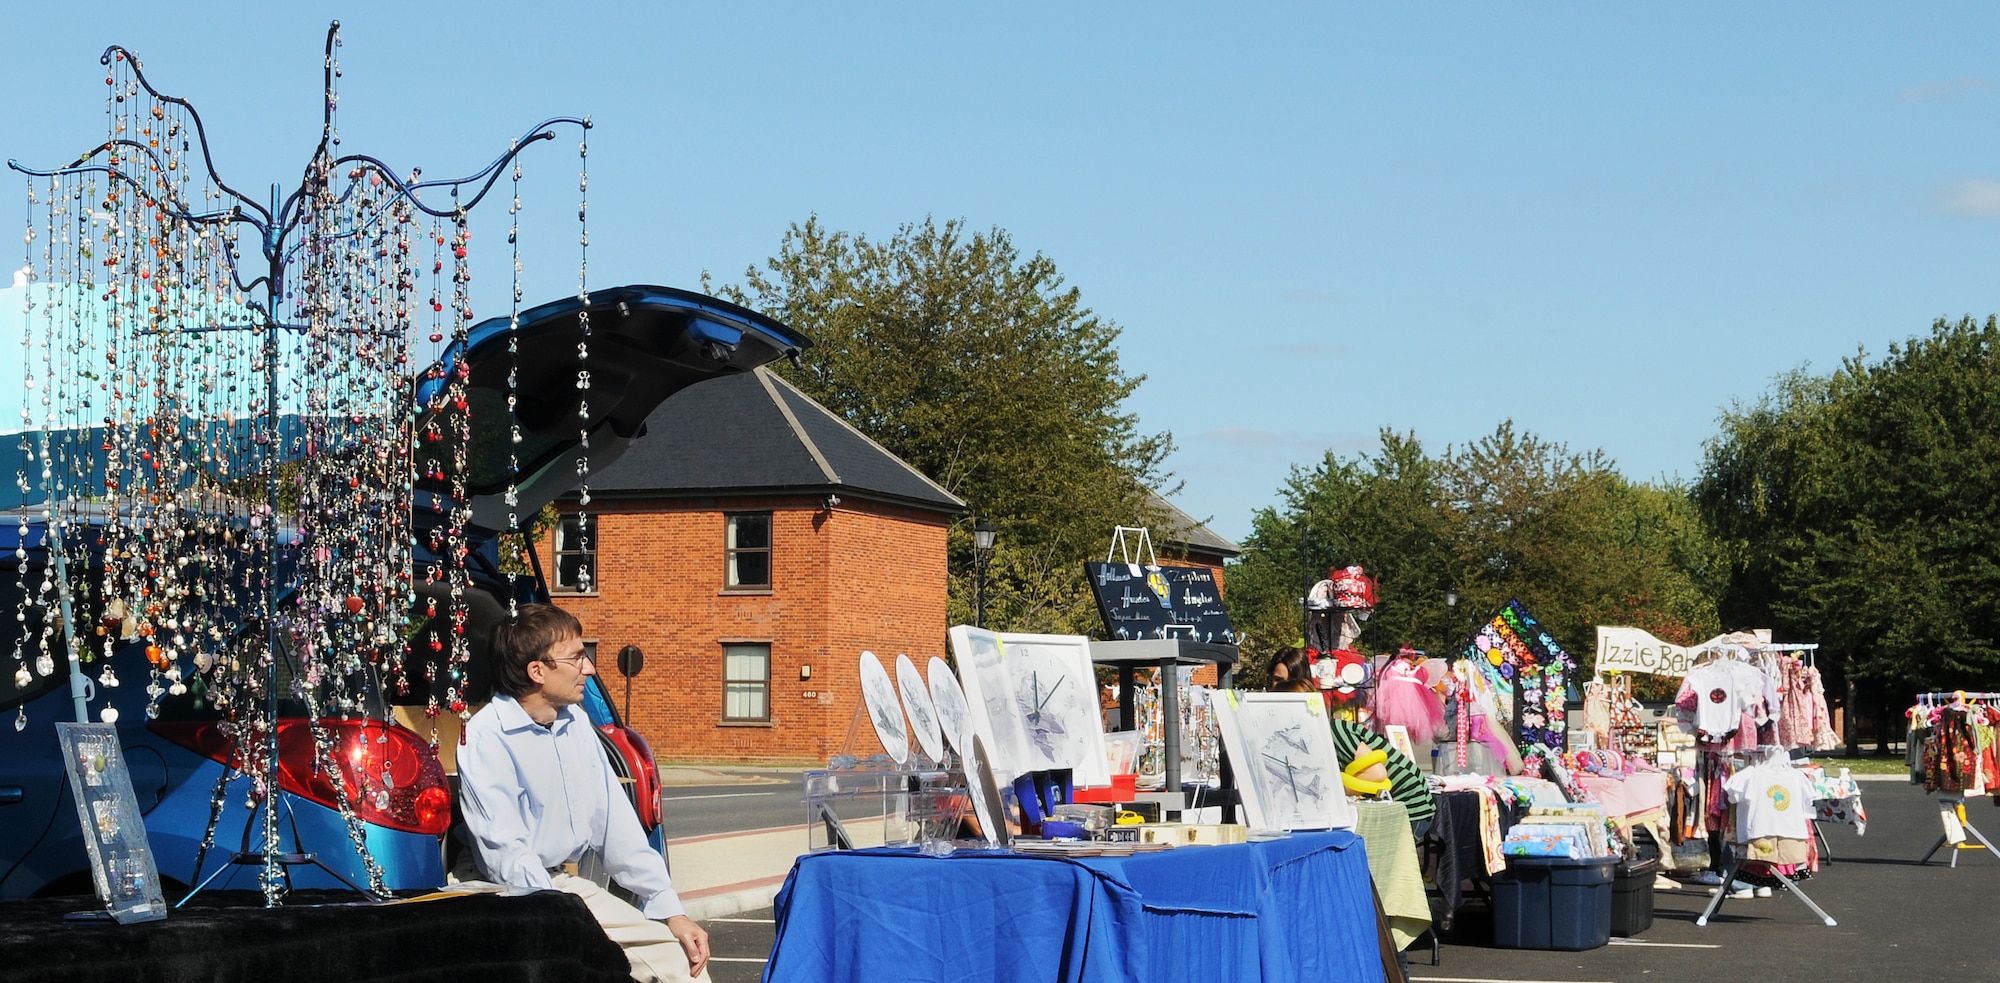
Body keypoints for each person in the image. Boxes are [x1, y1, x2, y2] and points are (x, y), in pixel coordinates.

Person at [455, 604, 709, 981]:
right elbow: (505, 852)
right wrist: (570, 918)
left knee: (682, 966)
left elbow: (617, 829)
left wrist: (671, 911)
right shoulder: (484, 736)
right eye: (576, 658)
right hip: (502, 890)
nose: (589, 668)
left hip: (561, 887)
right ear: (537, 671)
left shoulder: (575, 722)